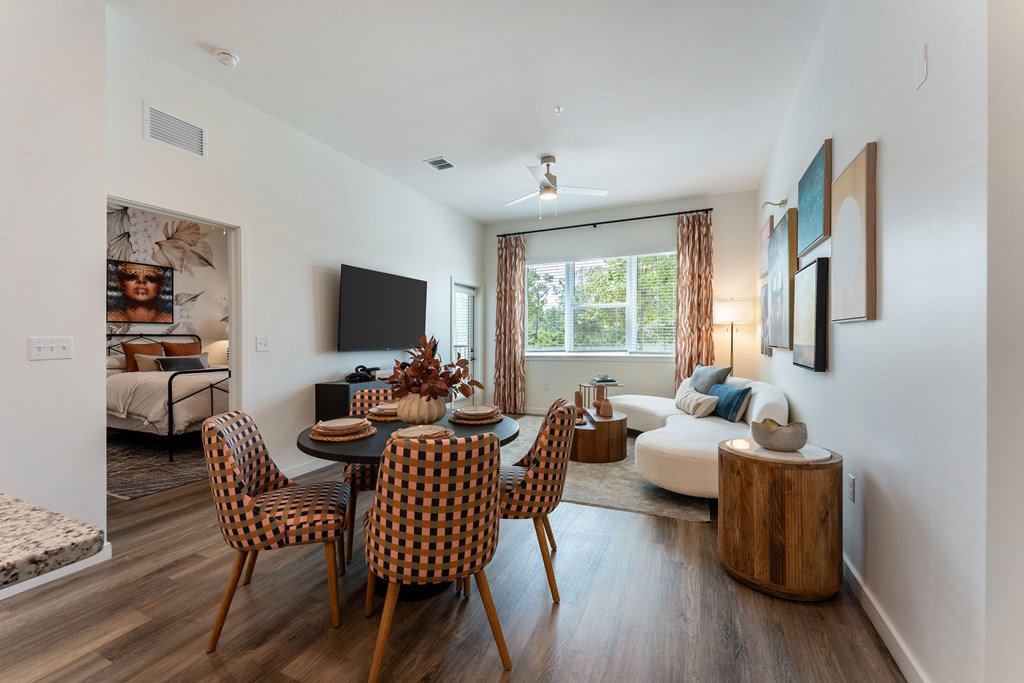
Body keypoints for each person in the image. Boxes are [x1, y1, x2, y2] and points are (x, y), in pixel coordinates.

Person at [107, 262, 173, 323]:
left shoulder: (172, 321)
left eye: (150, 278)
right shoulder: (108, 319)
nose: (141, 281)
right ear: (119, 282)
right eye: (132, 276)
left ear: (162, 285)